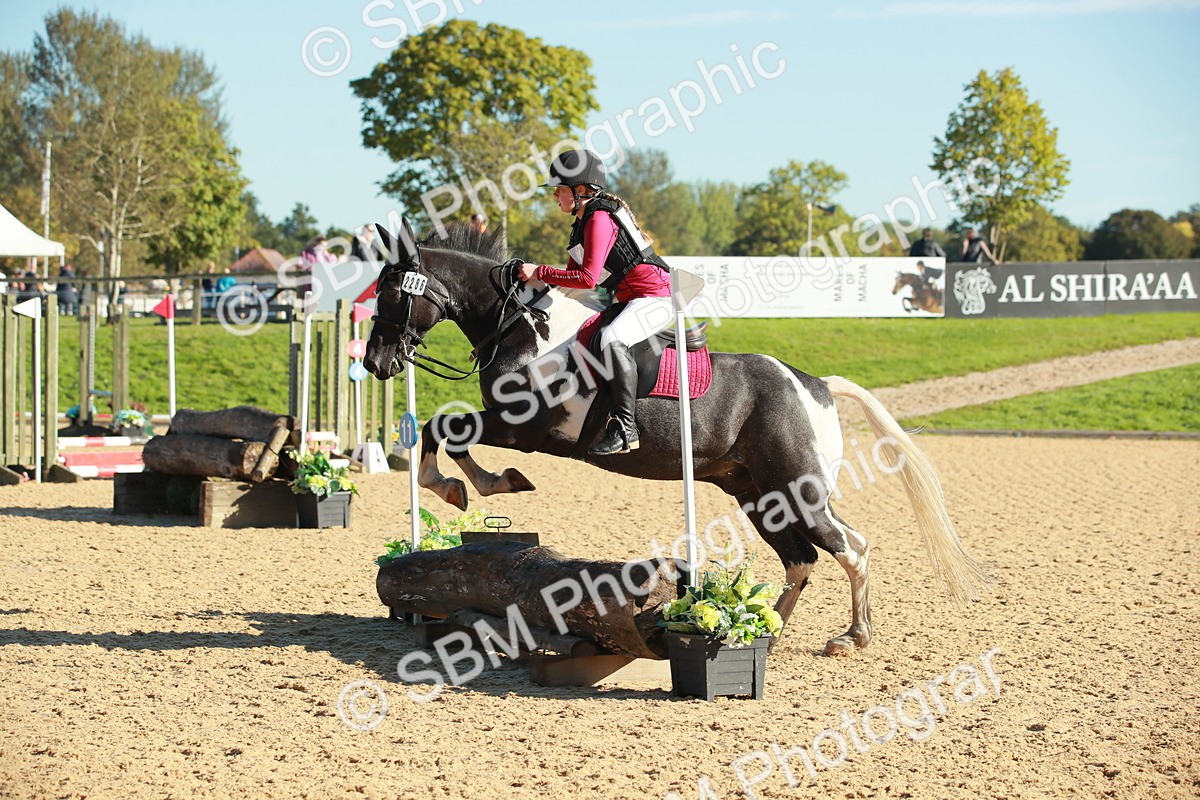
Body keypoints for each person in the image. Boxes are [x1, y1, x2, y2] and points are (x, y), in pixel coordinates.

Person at [516, 149, 673, 457]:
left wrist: (541, 271)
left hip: (656, 298)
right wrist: (536, 281)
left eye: (560, 189)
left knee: (613, 338)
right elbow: (573, 276)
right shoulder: (583, 223)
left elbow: (587, 279)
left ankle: (626, 428)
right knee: (587, 332)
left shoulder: (599, 219)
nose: (555, 196)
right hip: (630, 300)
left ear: (582, 191)